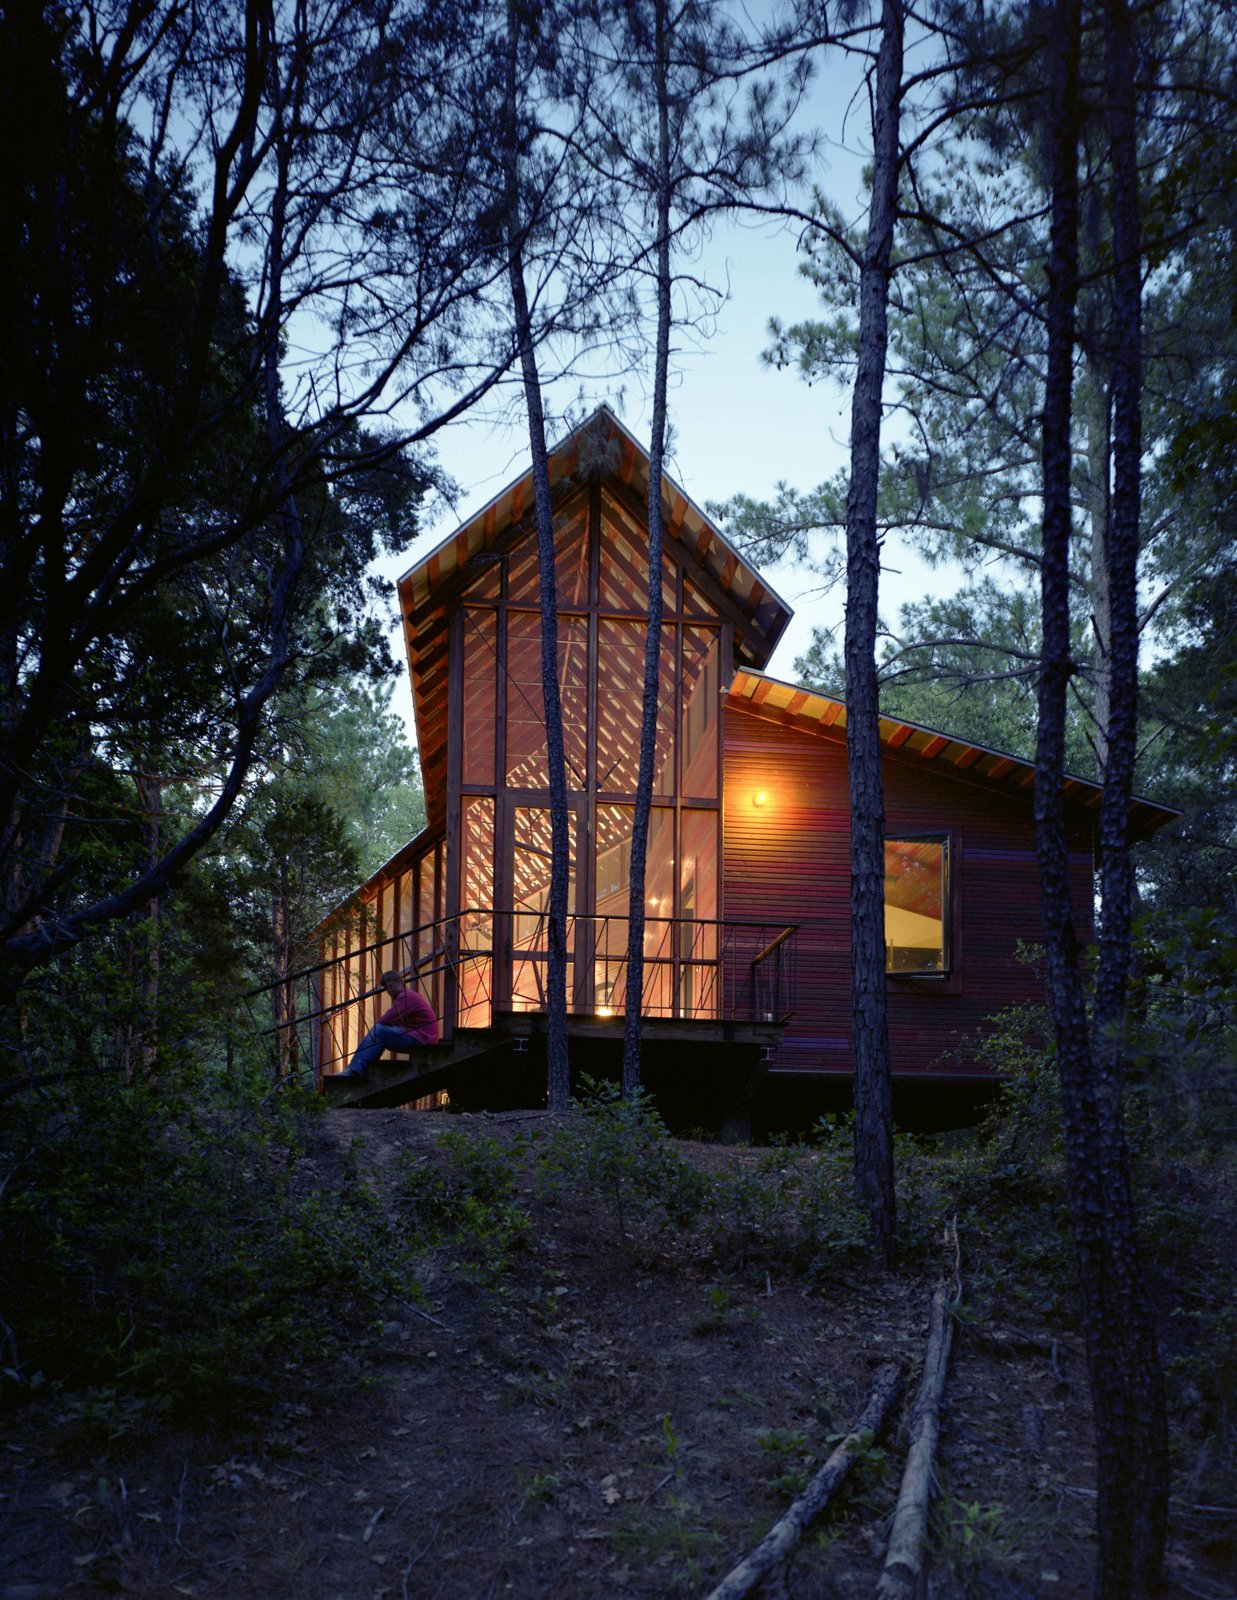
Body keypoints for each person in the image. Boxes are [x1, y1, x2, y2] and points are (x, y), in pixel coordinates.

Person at [341, 969, 439, 1079]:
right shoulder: (408, 996)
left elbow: (385, 1019)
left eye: (390, 986)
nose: (388, 991)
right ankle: (363, 1067)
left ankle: (356, 1069)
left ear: (400, 983)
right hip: (423, 1036)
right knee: (380, 1033)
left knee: (379, 1031)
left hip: (423, 1038)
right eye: (386, 988)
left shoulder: (406, 997)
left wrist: (386, 1025)